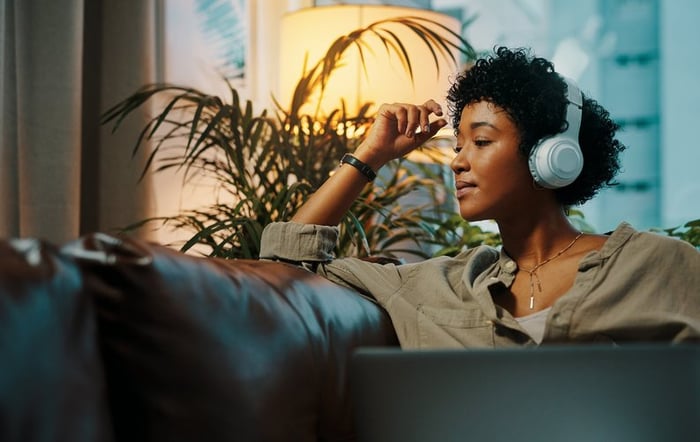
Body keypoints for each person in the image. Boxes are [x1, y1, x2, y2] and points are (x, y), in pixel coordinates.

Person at [260, 46, 700, 347]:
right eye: (457, 147)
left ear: (552, 155)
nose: (457, 163)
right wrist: (368, 157)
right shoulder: (440, 286)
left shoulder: (657, 265)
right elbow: (283, 269)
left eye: (482, 142)